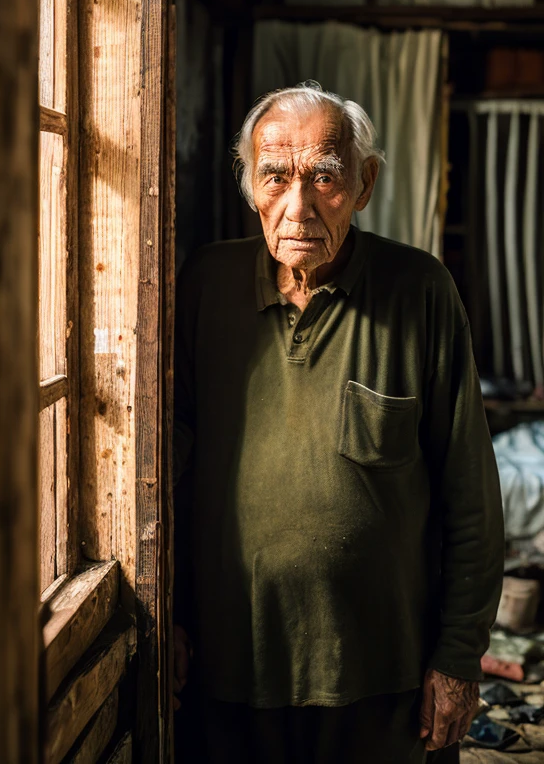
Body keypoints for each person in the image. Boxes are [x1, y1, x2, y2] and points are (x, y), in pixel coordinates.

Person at [173, 82, 504, 763]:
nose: (298, 206)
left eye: (325, 176)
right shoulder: (204, 287)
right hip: (228, 672)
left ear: (364, 184)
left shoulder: (422, 293)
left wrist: (459, 659)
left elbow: (471, 495)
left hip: (383, 682)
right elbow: (164, 470)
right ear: (249, 186)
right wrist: (167, 617)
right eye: (276, 177)